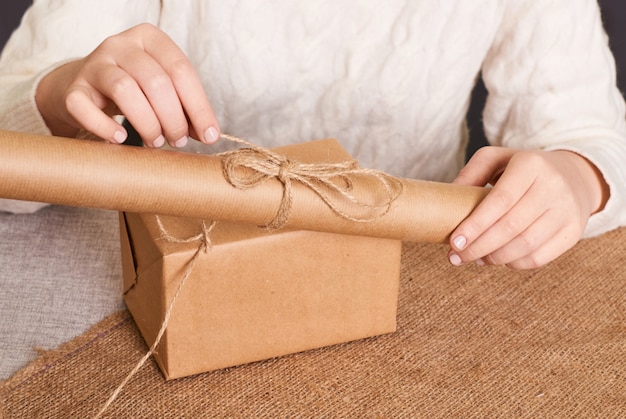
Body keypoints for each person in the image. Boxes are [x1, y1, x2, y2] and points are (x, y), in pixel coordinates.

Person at [0, 0, 624, 270]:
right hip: (180, 261)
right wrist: (65, 91)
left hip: (419, 275)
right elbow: (13, 132)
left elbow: (590, 131)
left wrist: (576, 175)